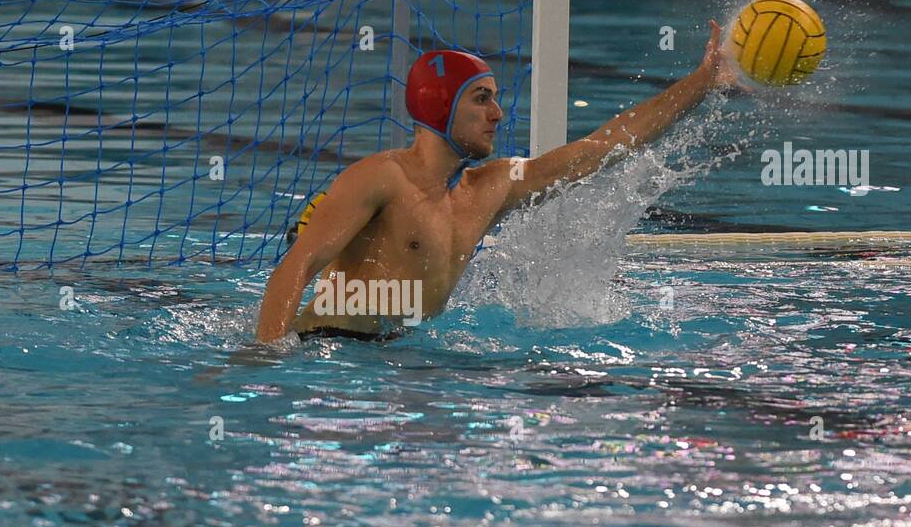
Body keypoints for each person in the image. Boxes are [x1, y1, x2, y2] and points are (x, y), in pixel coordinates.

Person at [256, 20, 739, 343]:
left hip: (400, 356)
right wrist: (267, 359)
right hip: (330, 351)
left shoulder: (490, 188)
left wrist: (700, 83)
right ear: (440, 107)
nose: (497, 114)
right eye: (481, 100)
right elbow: (296, 267)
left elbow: (600, 148)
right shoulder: (381, 178)